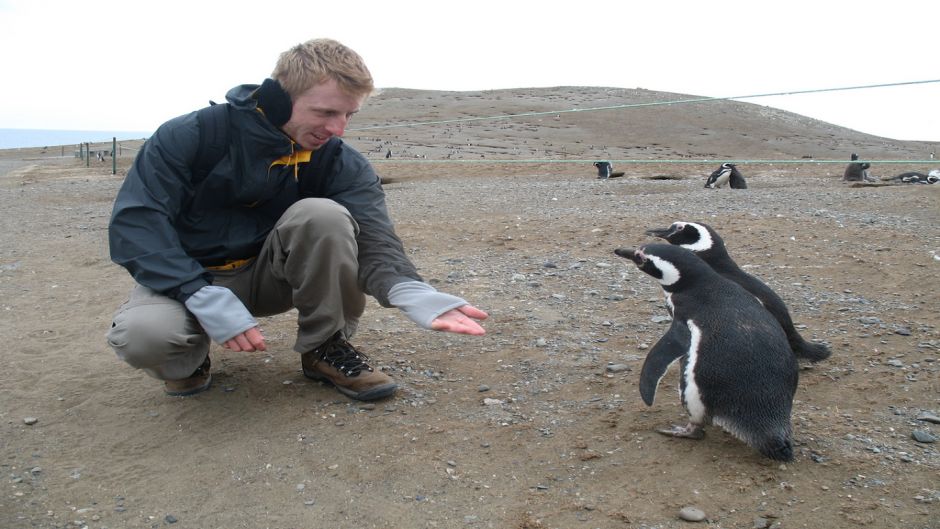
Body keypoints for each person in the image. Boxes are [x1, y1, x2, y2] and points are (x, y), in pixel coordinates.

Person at [106, 38, 487, 401]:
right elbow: (138, 224)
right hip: (190, 276)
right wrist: (195, 291)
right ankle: (186, 362)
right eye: (325, 113)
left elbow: (373, 236)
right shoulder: (190, 136)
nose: (338, 129)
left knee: (324, 216)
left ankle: (325, 347)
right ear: (276, 99)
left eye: (347, 114)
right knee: (144, 336)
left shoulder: (337, 160)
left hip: (272, 276)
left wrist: (407, 289)